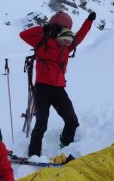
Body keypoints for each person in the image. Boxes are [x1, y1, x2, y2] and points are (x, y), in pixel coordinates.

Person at [19, 11, 97, 157]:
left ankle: (65, 145)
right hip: (42, 89)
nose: (69, 42)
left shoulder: (67, 48)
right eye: (65, 37)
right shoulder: (41, 43)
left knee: (72, 121)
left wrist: (89, 21)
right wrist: (44, 28)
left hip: (59, 89)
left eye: (69, 38)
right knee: (41, 124)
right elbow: (23, 35)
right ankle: (34, 155)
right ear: (57, 32)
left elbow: (80, 36)